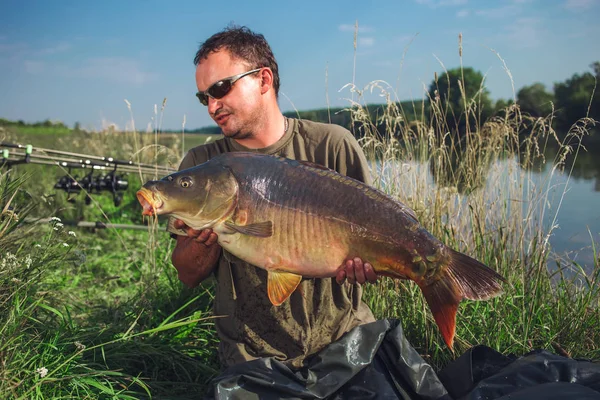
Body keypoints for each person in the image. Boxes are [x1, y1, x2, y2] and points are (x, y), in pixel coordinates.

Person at [170, 25, 378, 370]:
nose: (211, 106)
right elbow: (187, 275)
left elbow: (373, 233)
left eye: (220, 88)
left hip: (346, 336)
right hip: (250, 353)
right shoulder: (201, 167)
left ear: (263, 80)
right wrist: (202, 242)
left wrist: (370, 260)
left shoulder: (333, 145)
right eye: (203, 96)